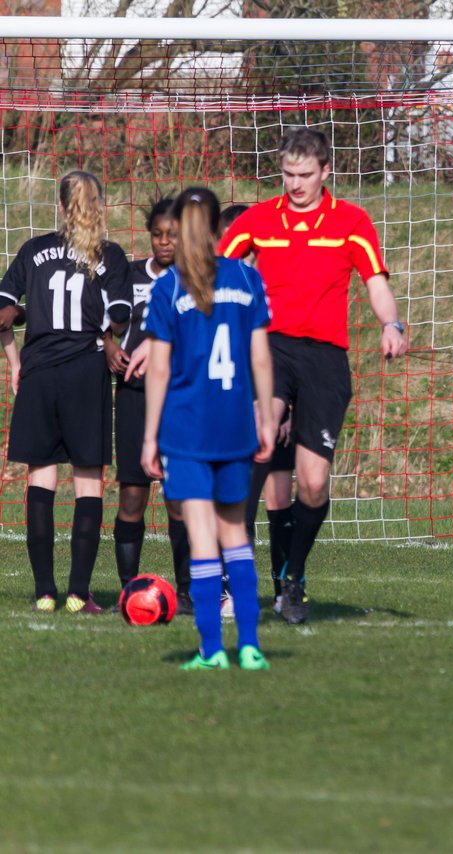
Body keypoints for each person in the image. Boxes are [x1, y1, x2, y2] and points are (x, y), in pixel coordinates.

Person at [218, 127, 407, 624]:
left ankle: (293, 577)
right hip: (271, 348)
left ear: (326, 172)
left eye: (305, 175)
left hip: (325, 359)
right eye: (288, 174)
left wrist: (391, 323)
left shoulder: (351, 222)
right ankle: (229, 579)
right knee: (257, 445)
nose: (295, 184)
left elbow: (376, 283)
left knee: (314, 484)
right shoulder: (259, 220)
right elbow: (213, 274)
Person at [140, 185, 275, 670]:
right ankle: (252, 645)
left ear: (180, 230)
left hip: (188, 429)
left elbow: (158, 369)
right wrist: (266, 414)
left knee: (201, 539)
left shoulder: (169, 287)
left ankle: (212, 650)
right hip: (235, 423)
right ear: (221, 229)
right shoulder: (247, 277)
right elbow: (261, 355)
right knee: (235, 534)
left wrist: (151, 436)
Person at [0, 170, 132, 613]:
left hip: (38, 374)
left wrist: (15, 363)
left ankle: (43, 593)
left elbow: (2, 312)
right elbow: (118, 318)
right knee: (88, 481)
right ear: (101, 205)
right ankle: (78, 593)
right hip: (84, 372)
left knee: (41, 477)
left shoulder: (34, 249)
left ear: (60, 206)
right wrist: (109, 336)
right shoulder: (109, 254)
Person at [105, 197, 193, 614]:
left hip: (179, 399)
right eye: (157, 234)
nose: (163, 242)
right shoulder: (132, 274)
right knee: (133, 495)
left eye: (171, 235)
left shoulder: (195, 280)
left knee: (178, 496)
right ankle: (129, 588)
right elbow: (110, 321)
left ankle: (188, 590)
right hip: (134, 397)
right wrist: (107, 344)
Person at [221, 199, 295, 614]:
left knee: (279, 502)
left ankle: (285, 588)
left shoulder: (272, 291)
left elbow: (292, 355)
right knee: (240, 504)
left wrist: (288, 408)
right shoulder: (222, 291)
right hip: (237, 412)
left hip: (275, 409)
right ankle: (236, 591)